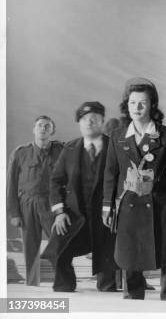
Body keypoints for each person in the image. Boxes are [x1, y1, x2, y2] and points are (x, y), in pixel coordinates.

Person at [102, 77, 166, 300]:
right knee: (130, 249)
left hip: (159, 202)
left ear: (152, 105)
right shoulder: (117, 136)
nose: (137, 108)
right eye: (132, 103)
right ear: (126, 106)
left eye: (142, 103)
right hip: (128, 201)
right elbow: (111, 173)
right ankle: (133, 298)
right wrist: (107, 206)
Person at [43, 102, 118, 292]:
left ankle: (108, 285)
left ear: (102, 122)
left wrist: (116, 207)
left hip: (106, 215)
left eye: (94, 119)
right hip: (74, 213)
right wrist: (59, 212)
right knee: (58, 245)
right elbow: (55, 181)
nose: (89, 123)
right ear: (79, 124)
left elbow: (124, 179)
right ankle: (65, 284)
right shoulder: (69, 149)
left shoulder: (116, 148)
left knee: (108, 251)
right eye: (84, 120)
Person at [7, 115, 63, 286]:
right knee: (30, 247)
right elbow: (11, 185)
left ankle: (63, 280)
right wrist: (14, 213)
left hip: (51, 204)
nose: (43, 128)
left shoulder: (61, 151)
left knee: (60, 242)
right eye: (39, 125)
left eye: (47, 126)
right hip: (27, 204)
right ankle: (32, 284)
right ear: (34, 129)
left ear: (52, 131)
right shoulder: (20, 153)